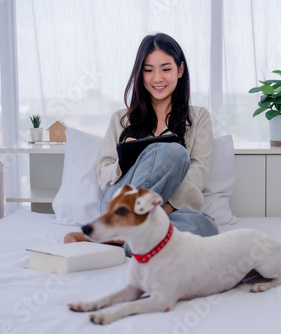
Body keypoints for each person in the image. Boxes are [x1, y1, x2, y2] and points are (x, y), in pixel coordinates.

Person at [64, 33, 218, 251]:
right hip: (119, 203)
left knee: (205, 228)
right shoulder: (120, 119)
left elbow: (199, 173)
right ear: (140, 73)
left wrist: (163, 208)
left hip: (170, 207)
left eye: (166, 69)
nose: (157, 78)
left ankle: (121, 238)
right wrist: (129, 161)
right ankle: (133, 232)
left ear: (180, 70)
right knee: (173, 152)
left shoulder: (199, 117)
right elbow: (103, 173)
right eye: (148, 70)